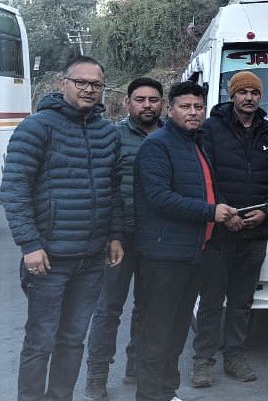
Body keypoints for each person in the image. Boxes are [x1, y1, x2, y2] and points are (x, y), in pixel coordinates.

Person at [1, 55, 124, 401]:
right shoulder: (37, 128)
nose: (88, 89)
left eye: (96, 84)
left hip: (92, 259)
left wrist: (115, 235)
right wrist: (29, 244)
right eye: (80, 82)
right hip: (49, 258)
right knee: (40, 341)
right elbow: (14, 188)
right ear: (62, 83)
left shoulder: (107, 133)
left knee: (72, 340)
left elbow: (113, 189)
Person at [133, 81, 238, 401]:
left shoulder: (196, 143)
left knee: (177, 331)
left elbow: (205, 190)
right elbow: (159, 198)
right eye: (185, 106)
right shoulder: (157, 145)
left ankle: (166, 392)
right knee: (157, 332)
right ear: (170, 109)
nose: (193, 112)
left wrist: (224, 212)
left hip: (193, 251)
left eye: (198, 107)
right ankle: (149, 396)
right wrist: (211, 212)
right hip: (164, 255)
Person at [192, 71, 268, 387]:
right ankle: (203, 361)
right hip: (219, 232)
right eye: (243, 92)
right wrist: (223, 212)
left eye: (254, 92)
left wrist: (266, 210)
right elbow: (204, 175)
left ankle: (234, 356)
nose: (249, 98)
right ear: (232, 95)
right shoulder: (211, 128)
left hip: (254, 232)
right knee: (211, 300)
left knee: (241, 301)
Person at [84, 77, 164, 399]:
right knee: (108, 309)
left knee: (148, 307)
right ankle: (97, 374)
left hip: (157, 239)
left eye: (153, 100)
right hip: (119, 238)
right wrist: (110, 233)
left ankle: (136, 364)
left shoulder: (171, 136)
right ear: (128, 103)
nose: (147, 105)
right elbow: (103, 187)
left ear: (163, 104)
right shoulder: (113, 136)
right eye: (140, 99)